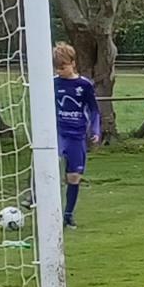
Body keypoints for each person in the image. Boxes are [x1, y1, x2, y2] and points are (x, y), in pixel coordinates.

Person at [50, 42, 98, 226]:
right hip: (59, 133)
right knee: (48, 163)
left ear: (73, 63)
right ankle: (33, 196)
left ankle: (68, 215)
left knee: (74, 176)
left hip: (77, 135)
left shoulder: (84, 85)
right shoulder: (53, 83)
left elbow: (94, 110)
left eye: (63, 67)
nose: (60, 71)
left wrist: (95, 130)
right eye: (57, 68)